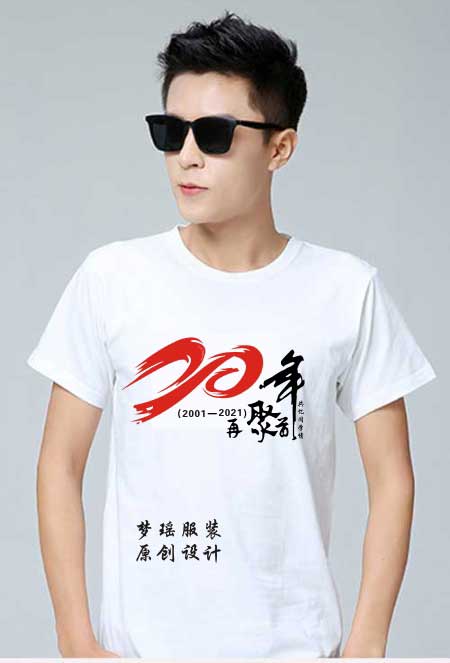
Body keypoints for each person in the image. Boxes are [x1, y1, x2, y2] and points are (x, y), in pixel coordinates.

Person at [26, 10, 437, 660]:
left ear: (280, 148)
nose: (187, 156)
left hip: (295, 648)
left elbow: (393, 481)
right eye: (170, 132)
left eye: (214, 134)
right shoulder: (112, 279)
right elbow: (59, 464)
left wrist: (367, 645)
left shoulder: (346, 290)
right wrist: (76, 640)